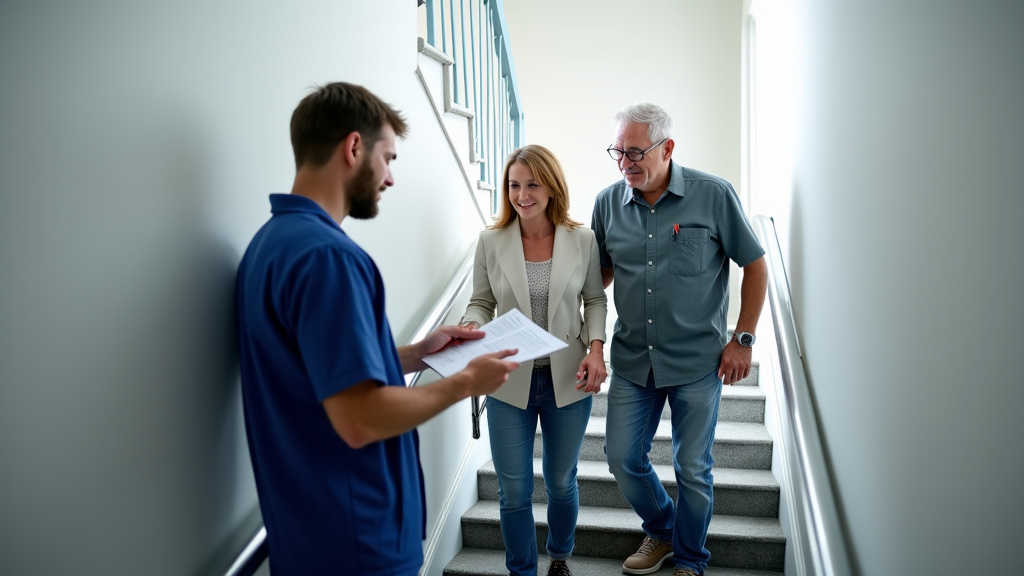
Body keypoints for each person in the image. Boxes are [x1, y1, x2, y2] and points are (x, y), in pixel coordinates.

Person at [234, 81, 520, 576]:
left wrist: (416, 354)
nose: (389, 178)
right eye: (388, 158)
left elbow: (315, 367)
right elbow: (360, 418)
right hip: (356, 542)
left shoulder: (271, 243)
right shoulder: (330, 258)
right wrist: (466, 383)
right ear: (353, 147)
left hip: (307, 536)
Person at [591, 103, 768, 576]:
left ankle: (691, 558)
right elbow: (600, 274)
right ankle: (664, 529)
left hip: (697, 363)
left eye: (635, 151)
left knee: (693, 468)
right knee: (622, 458)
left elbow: (754, 265)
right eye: (617, 152)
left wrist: (743, 339)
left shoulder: (713, 195)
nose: (625, 162)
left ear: (667, 148)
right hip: (633, 361)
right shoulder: (607, 203)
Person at [460, 145, 608, 576]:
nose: (522, 194)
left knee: (562, 483)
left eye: (531, 184)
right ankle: (521, 570)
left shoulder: (581, 239)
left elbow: (595, 300)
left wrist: (597, 348)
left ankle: (559, 556)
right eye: (513, 185)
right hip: (508, 379)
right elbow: (481, 302)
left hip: (568, 377)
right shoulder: (490, 241)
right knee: (513, 490)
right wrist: (471, 324)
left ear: (551, 187)